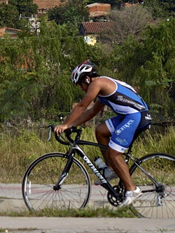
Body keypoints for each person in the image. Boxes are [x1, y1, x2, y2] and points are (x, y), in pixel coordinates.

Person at [55, 60, 151, 207]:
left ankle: (132, 189)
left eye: (80, 84)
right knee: (100, 131)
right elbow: (92, 111)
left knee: (114, 153)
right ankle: (111, 169)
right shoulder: (102, 88)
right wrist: (73, 124)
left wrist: (65, 124)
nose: (81, 88)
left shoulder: (97, 83)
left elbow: (82, 106)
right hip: (128, 115)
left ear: (87, 79)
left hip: (136, 115)